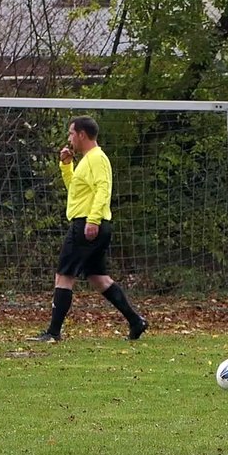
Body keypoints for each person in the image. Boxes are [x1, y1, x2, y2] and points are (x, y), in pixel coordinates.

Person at [30, 116, 147, 343]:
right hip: (90, 223)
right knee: (99, 279)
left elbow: (103, 189)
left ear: (82, 134)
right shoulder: (86, 160)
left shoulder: (97, 158)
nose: (69, 138)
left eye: (71, 133)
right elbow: (77, 190)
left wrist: (93, 220)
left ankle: (53, 333)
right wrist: (66, 166)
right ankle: (136, 321)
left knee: (63, 275)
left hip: (87, 224)